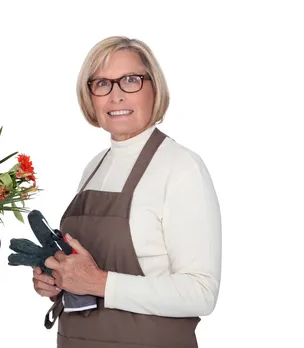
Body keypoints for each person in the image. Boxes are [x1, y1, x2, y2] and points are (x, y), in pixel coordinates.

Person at [32, 36, 221, 347]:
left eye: (131, 80)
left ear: (154, 88)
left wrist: (99, 282)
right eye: (102, 83)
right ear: (89, 95)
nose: (116, 95)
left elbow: (202, 293)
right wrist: (58, 279)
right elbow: (86, 269)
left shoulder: (181, 167)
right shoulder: (95, 166)